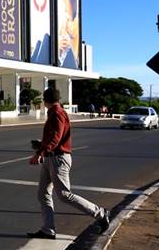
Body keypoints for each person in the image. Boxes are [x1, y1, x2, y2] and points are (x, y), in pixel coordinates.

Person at [28, 87, 109, 239]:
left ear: (46, 101)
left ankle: (100, 213)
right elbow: (54, 138)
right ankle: (48, 229)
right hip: (51, 157)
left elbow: (56, 138)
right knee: (43, 194)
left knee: (64, 195)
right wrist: (41, 145)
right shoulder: (54, 113)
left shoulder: (57, 114)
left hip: (58, 159)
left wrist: (40, 153)